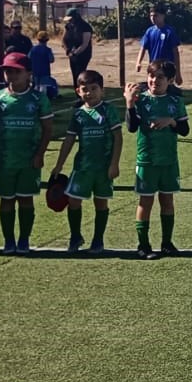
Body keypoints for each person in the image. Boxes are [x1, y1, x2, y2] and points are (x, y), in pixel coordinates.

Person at [0, 52, 52, 254]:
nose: (11, 75)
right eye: (7, 71)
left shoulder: (38, 99)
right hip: (4, 160)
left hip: (29, 160)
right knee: (6, 200)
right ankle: (9, 240)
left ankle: (24, 240)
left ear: (28, 73)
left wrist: (40, 154)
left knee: (25, 199)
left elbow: (48, 129)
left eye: (16, 71)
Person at [50, 69, 122, 253]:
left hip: (103, 168)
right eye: (85, 89)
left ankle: (98, 240)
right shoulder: (78, 114)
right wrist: (59, 164)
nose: (89, 93)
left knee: (101, 203)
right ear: (78, 91)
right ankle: (75, 237)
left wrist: (114, 164)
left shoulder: (108, 110)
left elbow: (117, 137)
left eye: (94, 88)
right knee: (73, 201)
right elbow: (69, 140)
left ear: (102, 90)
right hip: (82, 167)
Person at [125, 59, 188, 260]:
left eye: (160, 77)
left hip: (169, 161)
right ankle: (143, 245)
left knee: (167, 201)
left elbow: (185, 130)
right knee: (145, 202)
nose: (154, 80)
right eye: (151, 76)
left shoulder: (175, 102)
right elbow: (132, 127)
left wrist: (171, 122)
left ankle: (167, 243)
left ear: (170, 80)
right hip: (147, 161)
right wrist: (129, 104)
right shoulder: (141, 100)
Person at [135, 3, 182, 86]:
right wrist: (138, 62)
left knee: (167, 89)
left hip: (167, 68)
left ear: (163, 16)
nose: (153, 18)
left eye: (156, 15)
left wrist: (178, 73)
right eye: (151, 16)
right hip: (154, 66)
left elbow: (175, 53)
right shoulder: (149, 31)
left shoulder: (169, 31)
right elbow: (143, 48)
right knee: (154, 86)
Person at [62, 7, 94, 94]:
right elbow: (64, 39)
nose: (70, 21)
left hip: (83, 55)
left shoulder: (85, 27)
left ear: (76, 17)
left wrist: (75, 53)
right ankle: (78, 94)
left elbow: (84, 44)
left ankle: (82, 94)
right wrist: (67, 50)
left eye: (71, 19)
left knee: (80, 74)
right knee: (74, 74)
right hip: (72, 54)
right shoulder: (68, 26)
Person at [30, 32, 58, 99]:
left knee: (36, 85)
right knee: (43, 86)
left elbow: (28, 58)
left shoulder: (33, 49)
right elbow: (51, 60)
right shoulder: (47, 50)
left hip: (35, 71)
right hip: (45, 71)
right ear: (47, 39)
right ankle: (43, 100)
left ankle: (35, 98)